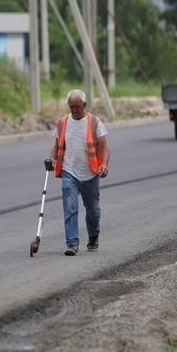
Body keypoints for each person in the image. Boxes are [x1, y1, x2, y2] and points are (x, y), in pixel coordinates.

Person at [49, 89, 111, 256]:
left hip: (90, 173)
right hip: (69, 172)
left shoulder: (95, 123)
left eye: (78, 107)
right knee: (70, 206)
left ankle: (93, 235)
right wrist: (53, 160)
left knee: (93, 211)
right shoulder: (62, 123)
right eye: (72, 107)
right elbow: (56, 147)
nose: (75, 110)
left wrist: (104, 164)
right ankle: (72, 243)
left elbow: (105, 147)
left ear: (84, 105)